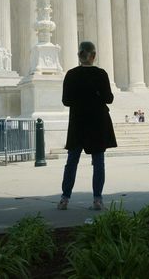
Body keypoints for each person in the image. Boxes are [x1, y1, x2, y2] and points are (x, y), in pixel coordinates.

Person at [58, 41, 117, 211]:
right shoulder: (100, 74)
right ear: (93, 56)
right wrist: (96, 94)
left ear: (79, 55)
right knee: (98, 162)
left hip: (78, 122)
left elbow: (66, 101)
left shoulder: (71, 74)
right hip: (97, 122)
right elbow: (109, 99)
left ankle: (65, 199)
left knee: (72, 161)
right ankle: (97, 199)